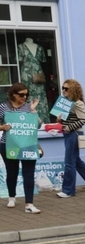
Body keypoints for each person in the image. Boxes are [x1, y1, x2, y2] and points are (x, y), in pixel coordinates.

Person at [0, 83, 41, 213]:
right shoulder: (3, 107)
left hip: (27, 144)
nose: (25, 97)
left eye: (26, 95)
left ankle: (29, 204)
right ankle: (12, 197)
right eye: (21, 95)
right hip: (8, 144)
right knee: (12, 172)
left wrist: (33, 111)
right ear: (13, 94)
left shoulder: (29, 107)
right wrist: (3, 127)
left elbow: (38, 125)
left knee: (28, 173)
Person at [56, 79, 85, 198]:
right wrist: (61, 119)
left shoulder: (78, 103)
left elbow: (82, 120)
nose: (64, 91)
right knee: (76, 160)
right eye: (63, 88)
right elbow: (68, 118)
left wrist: (69, 127)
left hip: (73, 134)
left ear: (73, 90)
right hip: (67, 133)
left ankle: (68, 190)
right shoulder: (67, 102)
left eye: (66, 89)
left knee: (69, 162)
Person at [18, 37, 49, 124]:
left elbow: (43, 60)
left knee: (40, 97)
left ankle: (43, 121)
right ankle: (29, 121)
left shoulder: (39, 47)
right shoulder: (20, 47)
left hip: (38, 75)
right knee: (27, 95)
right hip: (27, 75)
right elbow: (19, 59)